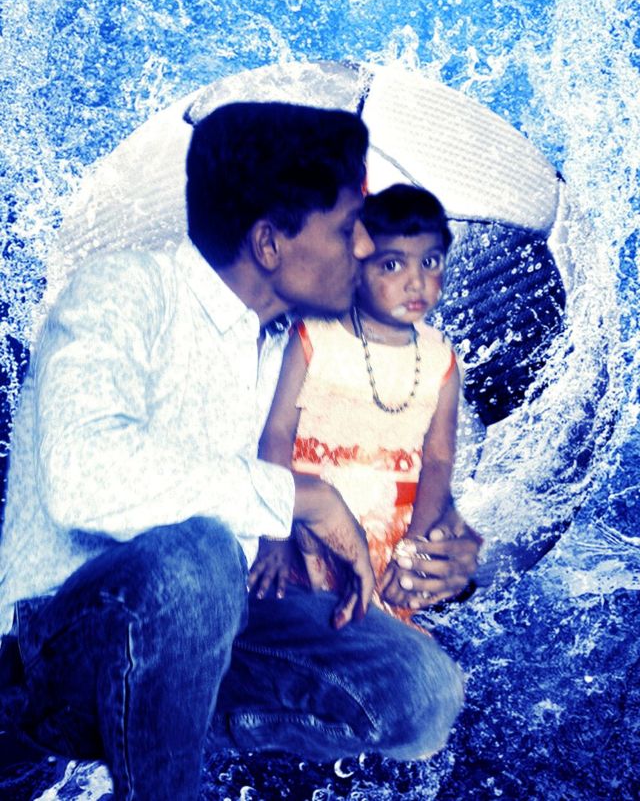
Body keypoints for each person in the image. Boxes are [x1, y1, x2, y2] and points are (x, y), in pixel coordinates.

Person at [0, 103, 474, 799]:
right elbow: (82, 476)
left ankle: (168, 727)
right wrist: (301, 496)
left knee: (421, 690)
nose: (364, 249)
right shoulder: (124, 290)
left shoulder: (304, 352)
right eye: (347, 229)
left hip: (215, 641)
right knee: (199, 555)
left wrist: (440, 558)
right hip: (50, 658)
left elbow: (377, 499)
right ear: (269, 245)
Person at [252, 184, 481, 628]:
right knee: (305, 623)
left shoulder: (442, 361)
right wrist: (273, 536)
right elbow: (277, 433)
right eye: (392, 265)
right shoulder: (314, 339)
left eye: (430, 262)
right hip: (310, 527)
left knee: (385, 637)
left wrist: (415, 547)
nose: (416, 282)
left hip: (387, 532)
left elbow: (438, 459)